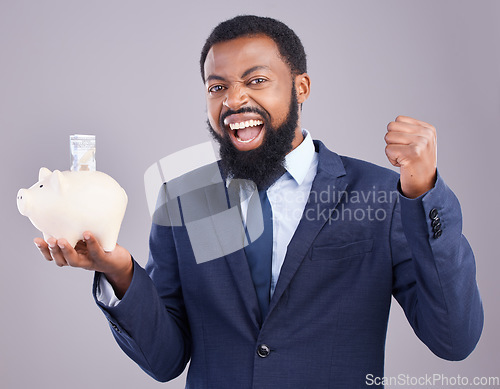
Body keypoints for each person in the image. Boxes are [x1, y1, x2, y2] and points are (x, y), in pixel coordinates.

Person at [34, 15, 483, 388]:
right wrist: (121, 271)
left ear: (301, 87)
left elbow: (454, 339)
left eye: (257, 80)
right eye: (217, 87)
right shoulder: (184, 199)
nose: (234, 99)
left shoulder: (382, 195)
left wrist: (423, 193)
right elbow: (165, 360)